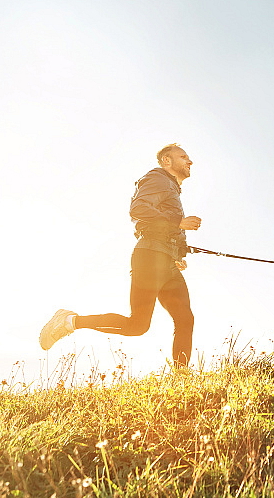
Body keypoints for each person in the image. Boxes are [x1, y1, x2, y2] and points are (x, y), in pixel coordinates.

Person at [39, 144, 202, 368]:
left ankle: (182, 378)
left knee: (185, 319)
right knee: (137, 325)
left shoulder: (171, 188)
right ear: (166, 160)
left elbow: (164, 226)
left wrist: (179, 252)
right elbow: (138, 209)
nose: (189, 161)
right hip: (150, 257)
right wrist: (178, 222)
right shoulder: (158, 179)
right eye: (183, 157)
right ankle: (69, 321)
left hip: (166, 261)